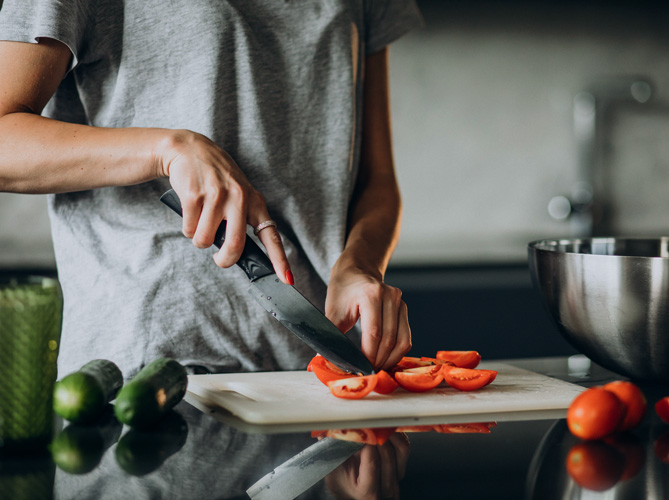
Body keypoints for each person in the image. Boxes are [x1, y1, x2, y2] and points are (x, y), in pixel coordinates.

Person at [0, 1, 423, 378]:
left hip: (315, 369)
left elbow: (376, 181)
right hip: (148, 373)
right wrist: (167, 150)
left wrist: (360, 265)